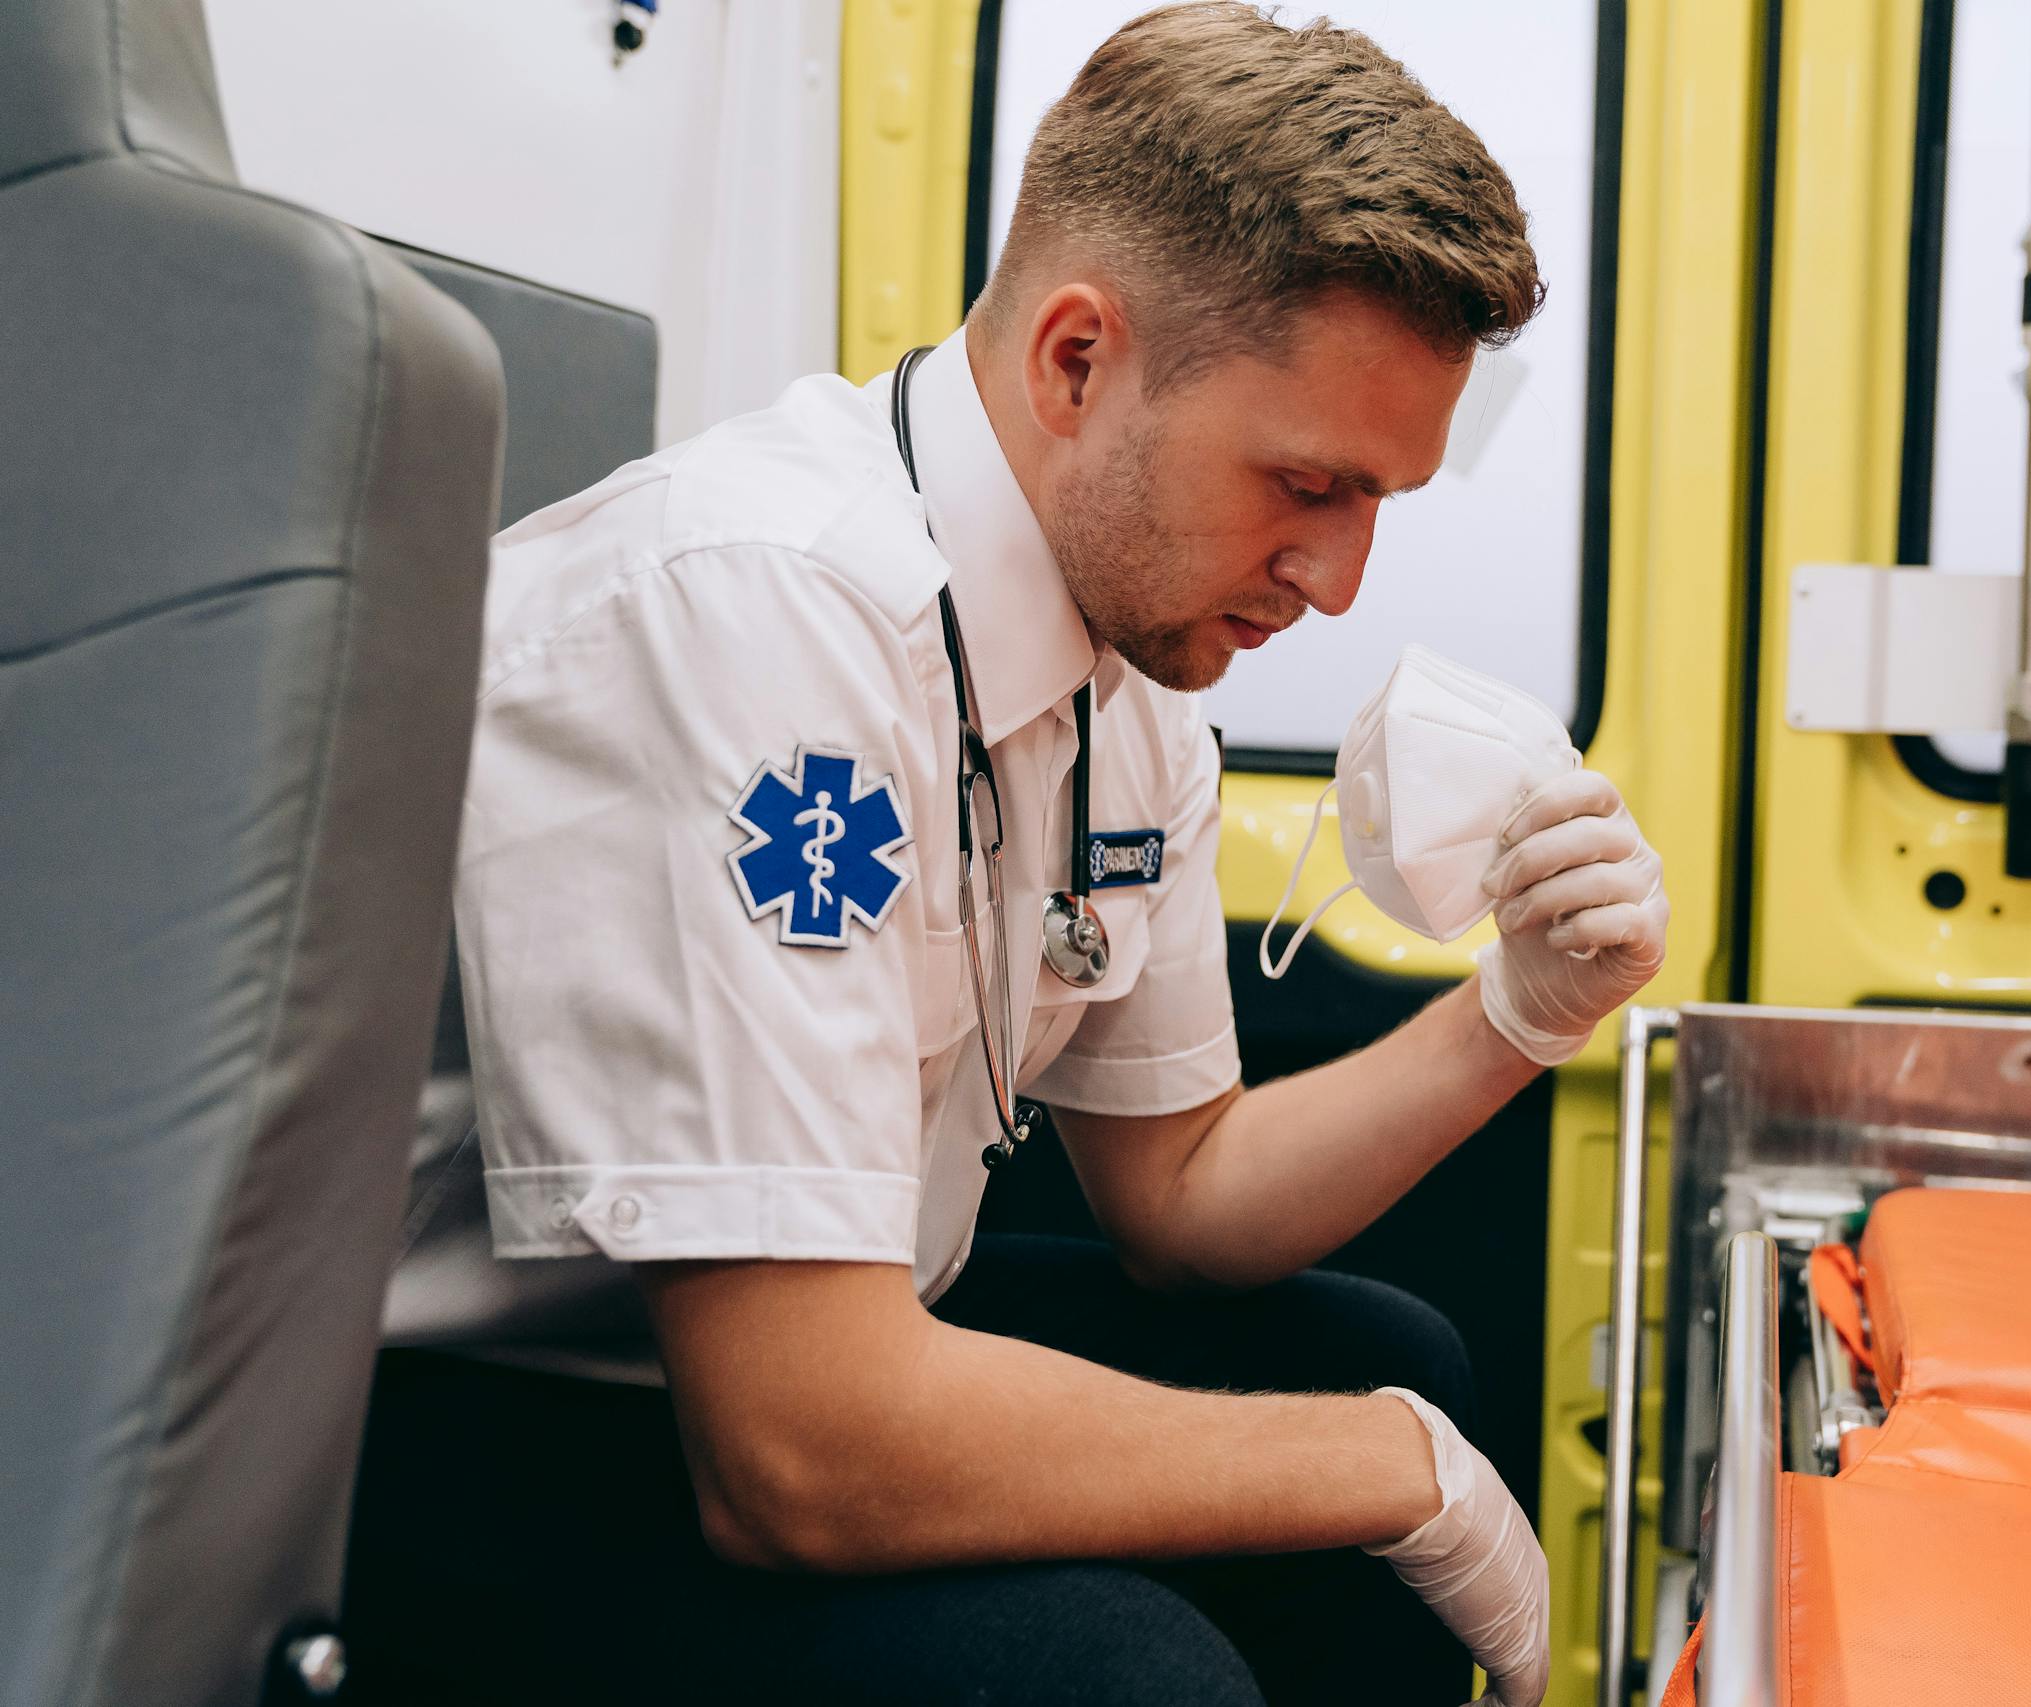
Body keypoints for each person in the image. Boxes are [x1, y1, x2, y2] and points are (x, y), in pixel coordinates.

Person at [348, 6, 1669, 1704]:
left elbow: (1183, 1204)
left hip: (793, 1353)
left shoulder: (1129, 680)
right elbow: (800, 1449)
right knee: (1139, 1671)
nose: (1335, 582)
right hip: (488, 1425)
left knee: (1381, 1359)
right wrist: (1394, 1473)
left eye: (1377, 509)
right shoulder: (766, 618)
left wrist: (1521, 1014)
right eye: (1307, 484)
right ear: (1074, 359)